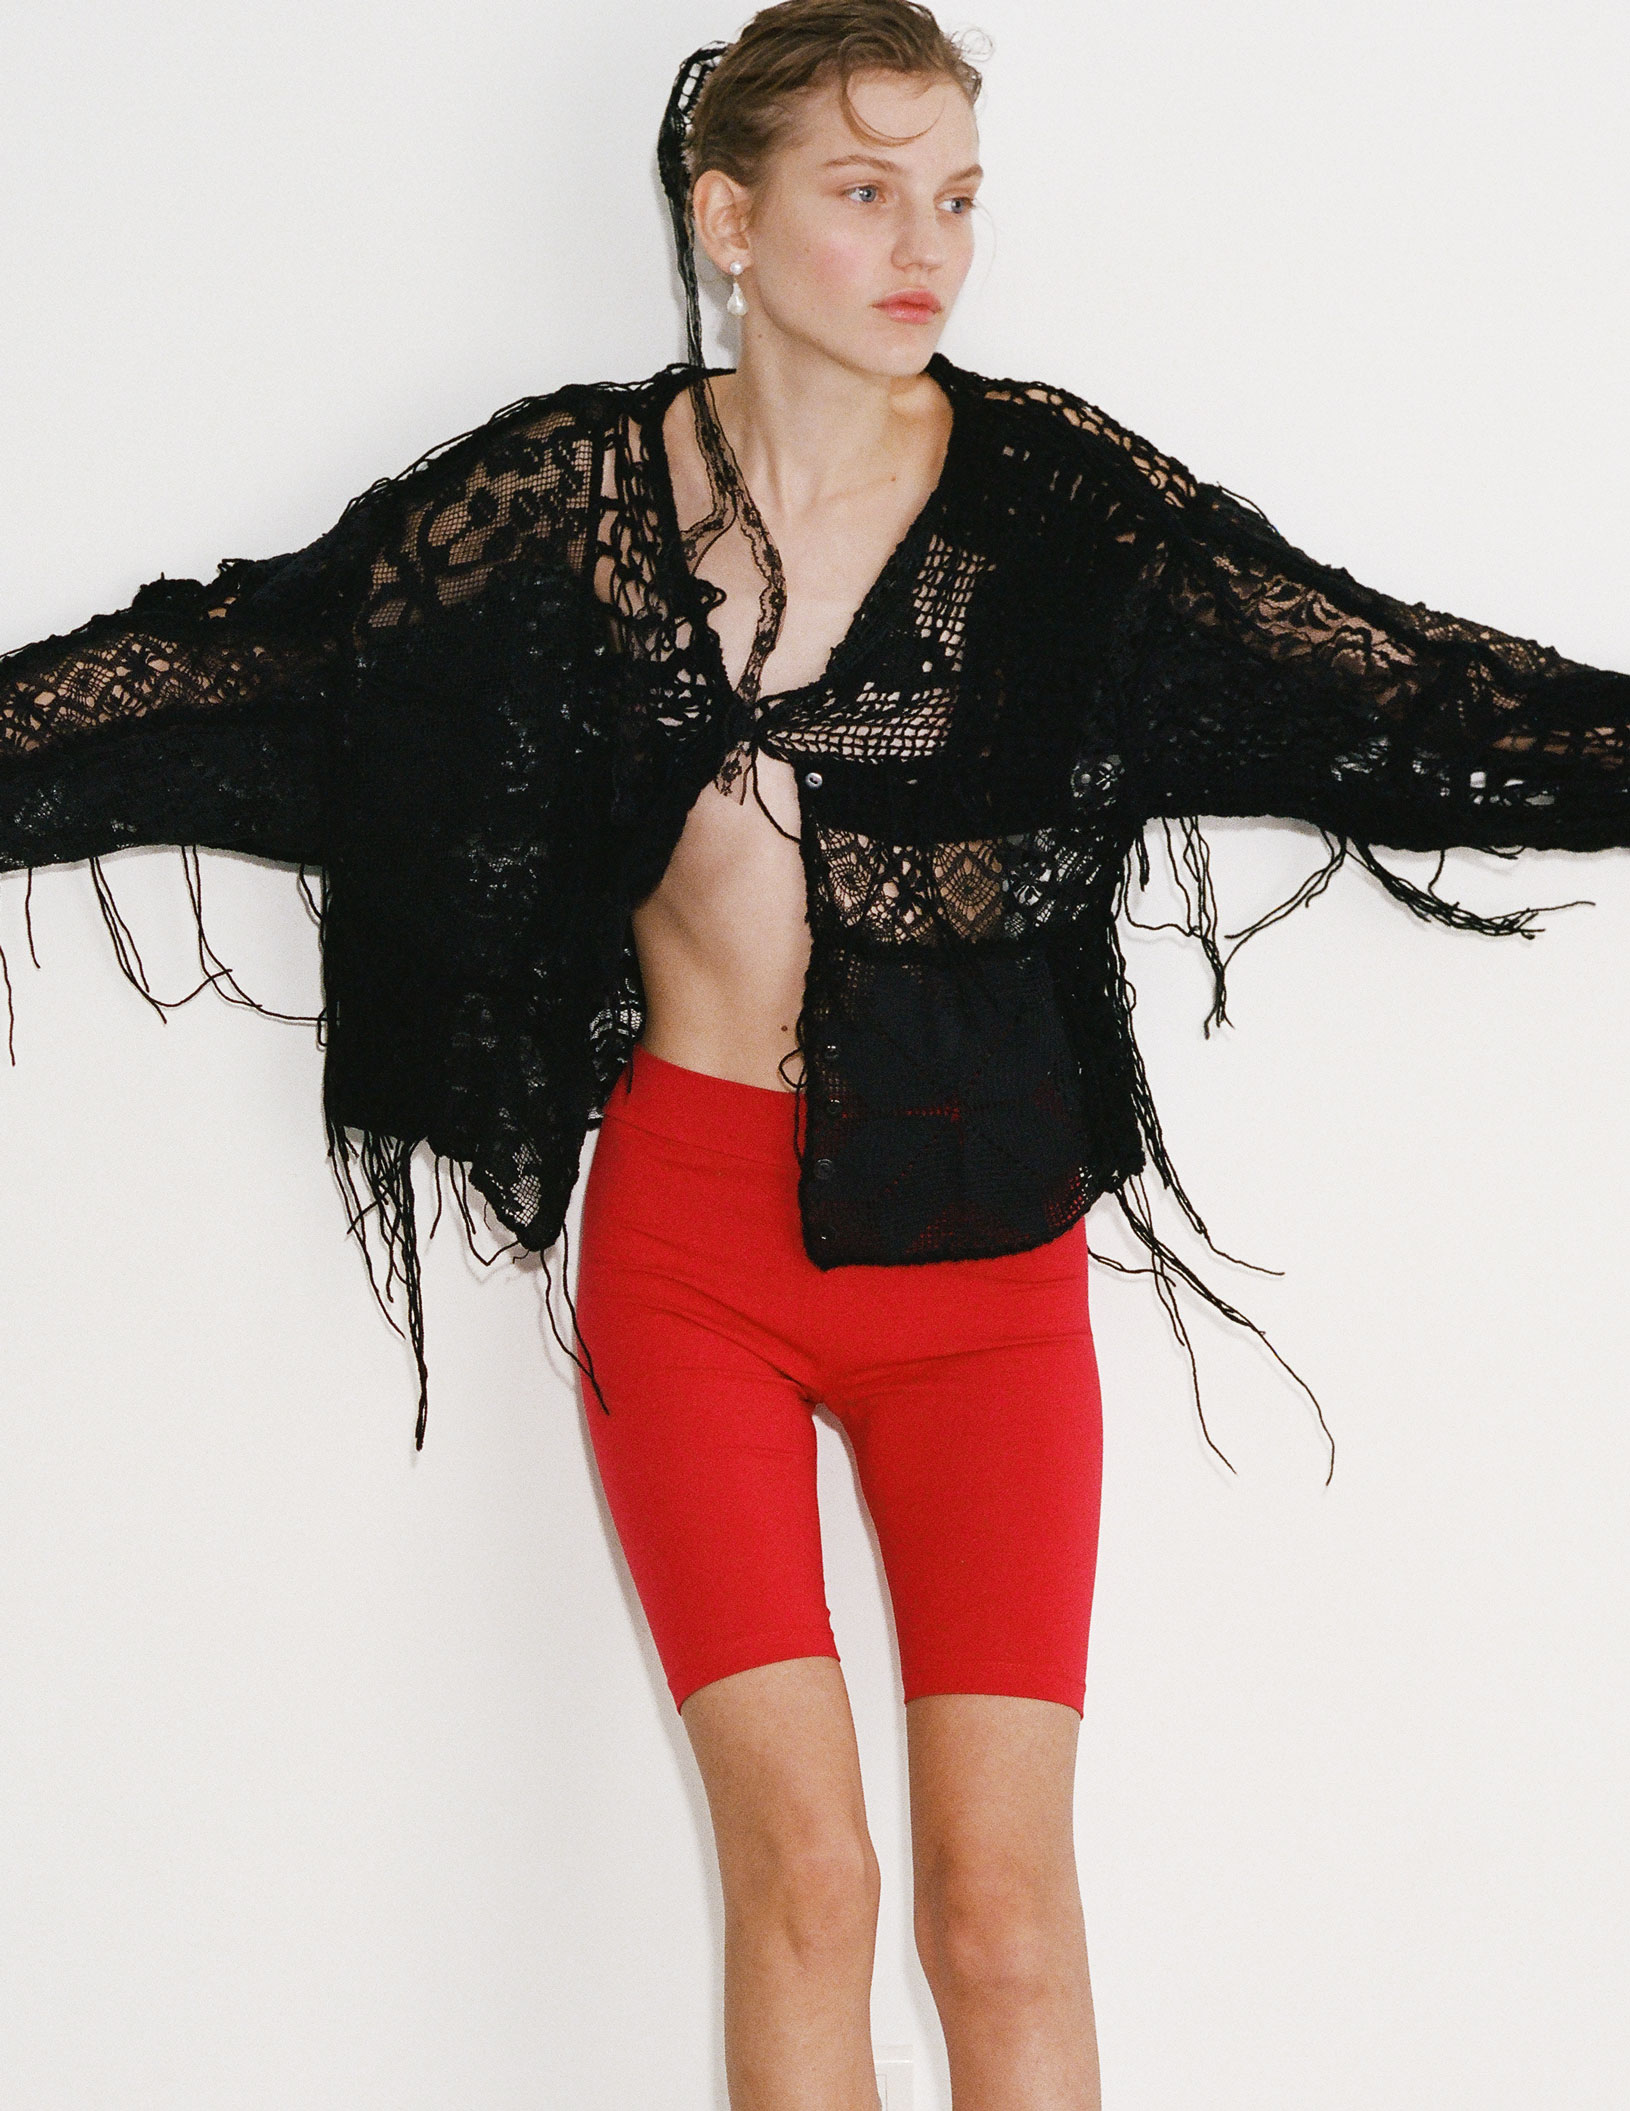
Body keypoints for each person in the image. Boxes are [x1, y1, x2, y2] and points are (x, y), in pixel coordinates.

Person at [4, 4, 1628, 2107]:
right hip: (687, 1263)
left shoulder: (1055, 517)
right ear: (728, 219)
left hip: (982, 1266)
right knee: (806, 1881)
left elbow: (1401, 695)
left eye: (954, 196)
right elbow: (236, 672)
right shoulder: (561, 510)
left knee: (1000, 1913)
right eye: (864, 191)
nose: (923, 245)